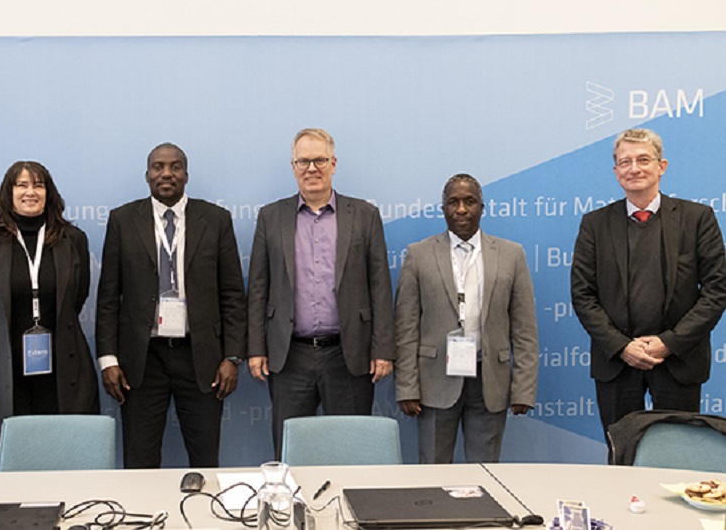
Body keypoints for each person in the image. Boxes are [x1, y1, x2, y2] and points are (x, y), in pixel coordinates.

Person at [96, 143, 246, 468]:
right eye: (158, 167)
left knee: (205, 459)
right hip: (142, 360)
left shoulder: (216, 219)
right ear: (147, 175)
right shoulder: (123, 220)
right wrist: (108, 360)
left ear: (186, 175)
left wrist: (232, 356)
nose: (166, 173)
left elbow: (233, 294)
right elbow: (109, 297)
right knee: (139, 461)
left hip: (202, 359)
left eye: (175, 167)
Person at [247, 128, 395, 458]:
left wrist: (383, 349)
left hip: (348, 354)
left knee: (352, 451)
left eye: (319, 160)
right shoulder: (271, 217)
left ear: (333, 163)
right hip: (289, 356)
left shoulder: (364, 215)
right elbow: (258, 286)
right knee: (289, 453)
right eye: (303, 161)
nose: (311, 168)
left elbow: (380, 286)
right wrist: (255, 348)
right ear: (293, 165)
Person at [571, 127, 726, 437]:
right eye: (625, 162)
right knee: (621, 456)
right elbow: (583, 294)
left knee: (677, 458)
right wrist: (622, 346)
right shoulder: (595, 224)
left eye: (643, 159)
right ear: (616, 171)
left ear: (661, 166)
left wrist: (668, 343)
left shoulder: (697, 218)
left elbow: (716, 290)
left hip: (677, 361)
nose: (634, 168)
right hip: (617, 362)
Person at [0, 160, 99, 470]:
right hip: (4, 367)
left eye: (38, 185)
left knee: (62, 461)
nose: (30, 192)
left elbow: (77, 297)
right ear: (8, 193)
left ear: (49, 192)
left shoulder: (73, 239)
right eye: (21, 185)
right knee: (8, 466)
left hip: (62, 366)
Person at [394, 174, 539, 463]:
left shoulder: (512, 254)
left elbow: (524, 329)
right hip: (435, 381)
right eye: (453, 202)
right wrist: (407, 386)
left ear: (482, 207)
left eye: (469, 201)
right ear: (443, 209)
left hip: (489, 380)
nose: (461, 209)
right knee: (433, 472)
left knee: (485, 473)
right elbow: (406, 327)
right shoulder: (419, 254)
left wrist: (523, 388)